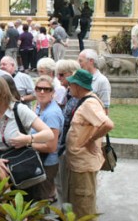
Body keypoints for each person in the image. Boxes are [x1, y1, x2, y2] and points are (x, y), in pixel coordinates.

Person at [0, 76, 54, 201]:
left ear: (3, 93)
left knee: (30, 209)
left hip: (25, 170)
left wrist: (28, 139)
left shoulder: (19, 109)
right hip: (2, 172)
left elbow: (49, 134)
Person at [65, 69, 114, 218]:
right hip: (79, 163)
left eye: (71, 84)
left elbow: (108, 124)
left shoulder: (89, 103)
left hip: (83, 164)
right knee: (78, 203)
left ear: (78, 86)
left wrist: (90, 141)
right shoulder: (85, 100)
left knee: (83, 206)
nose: (69, 87)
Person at [33, 76, 64, 203]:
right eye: (39, 88)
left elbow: (51, 146)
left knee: (42, 199)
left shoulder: (51, 114)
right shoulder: (40, 106)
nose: (42, 92)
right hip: (40, 159)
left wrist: (27, 143)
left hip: (47, 162)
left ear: (52, 92)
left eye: (46, 89)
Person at [55, 59, 80, 204]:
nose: (58, 78)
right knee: (60, 184)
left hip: (68, 149)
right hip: (61, 146)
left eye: (61, 75)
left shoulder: (78, 97)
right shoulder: (67, 93)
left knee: (66, 185)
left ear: (72, 74)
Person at [78, 49, 111, 114]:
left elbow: (105, 109)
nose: (78, 64)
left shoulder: (102, 81)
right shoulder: (80, 78)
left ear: (91, 61)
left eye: (80, 61)